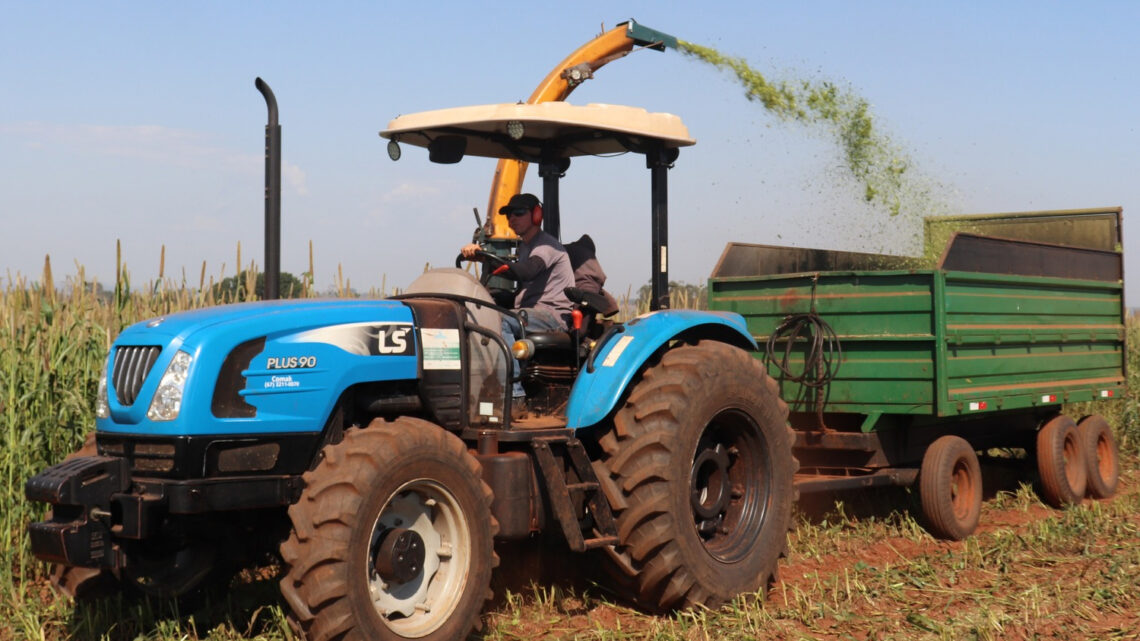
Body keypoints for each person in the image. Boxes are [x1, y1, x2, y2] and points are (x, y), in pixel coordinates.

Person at [460, 192, 574, 404]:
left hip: (552, 316)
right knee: (477, 314)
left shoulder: (546, 246)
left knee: (501, 321)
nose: (512, 218)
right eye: (509, 214)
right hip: (532, 312)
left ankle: (514, 396)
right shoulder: (525, 247)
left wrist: (486, 257)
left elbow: (527, 272)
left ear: (536, 216)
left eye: (519, 213)